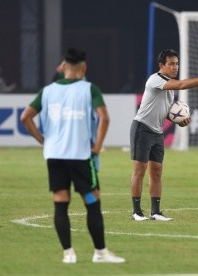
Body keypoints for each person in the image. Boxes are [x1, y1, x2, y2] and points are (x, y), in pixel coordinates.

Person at [20, 48, 125, 263]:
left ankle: (68, 254)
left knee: (60, 202)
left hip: (55, 156)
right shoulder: (89, 89)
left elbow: (25, 117)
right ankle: (100, 253)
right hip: (80, 156)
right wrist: (97, 147)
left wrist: (43, 141)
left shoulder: (48, 91)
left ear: (63, 66)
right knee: (91, 200)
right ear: (83, 68)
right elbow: (104, 118)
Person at [130, 49, 198, 221]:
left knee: (156, 171)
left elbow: (164, 111)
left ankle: (155, 212)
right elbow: (180, 85)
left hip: (157, 132)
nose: (175, 67)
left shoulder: (168, 87)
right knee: (139, 170)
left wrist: (179, 121)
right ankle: (136, 212)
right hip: (142, 128)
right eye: (171, 64)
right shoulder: (155, 79)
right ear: (161, 66)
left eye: (177, 63)